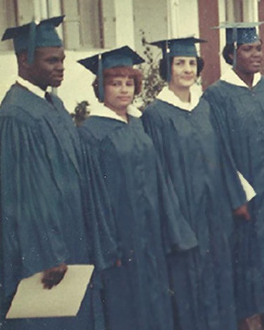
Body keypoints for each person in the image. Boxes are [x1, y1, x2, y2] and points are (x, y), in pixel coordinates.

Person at [76, 46, 198, 330]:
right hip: (122, 238)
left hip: (150, 233)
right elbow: (95, 197)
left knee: (156, 298)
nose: (123, 90)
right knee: (127, 306)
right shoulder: (91, 133)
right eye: (115, 83)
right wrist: (108, 246)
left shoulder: (137, 124)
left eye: (129, 83)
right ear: (100, 87)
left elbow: (158, 177)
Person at [0, 17, 106, 330]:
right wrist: (47, 252)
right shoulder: (16, 115)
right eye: (51, 60)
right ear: (24, 60)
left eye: (62, 59)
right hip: (45, 251)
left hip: (69, 236)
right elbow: (23, 193)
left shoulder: (52, 104)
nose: (60, 67)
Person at [141, 37, 248, 330]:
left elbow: (224, 156)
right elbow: (158, 176)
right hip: (184, 218)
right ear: (167, 68)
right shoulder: (155, 115)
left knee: (220, 277)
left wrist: (236, 200)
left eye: (191, 63)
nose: (187, 70)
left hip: (215, 214)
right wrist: (174, 223)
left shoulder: (205, 108)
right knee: (190, 285)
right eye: (179, 63)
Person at [204, 23, 264, 330]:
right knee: (249, 254)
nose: (256, 54)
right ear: (231, 54)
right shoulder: (216, 96)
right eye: (248, 49)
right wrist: (236, 196)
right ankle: (253, 315)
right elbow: (219, 153)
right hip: (246, 195)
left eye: (259, 48)